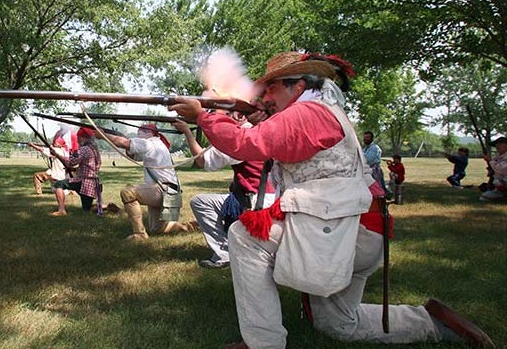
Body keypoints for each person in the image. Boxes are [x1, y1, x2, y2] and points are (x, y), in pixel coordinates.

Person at [169, 51, 494, 349]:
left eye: (271, 88)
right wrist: (253, 116)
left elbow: (248, 144)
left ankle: (263, 344)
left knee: (244, 237)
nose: (265, 95)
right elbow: (273, 139)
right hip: (351, 229)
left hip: (342, 231)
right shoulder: (318, 111)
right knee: (338, 324)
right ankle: (434, 323)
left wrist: (204, 116)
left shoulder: (310, 113)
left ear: (296, 87)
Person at [173, 117, 274, 269]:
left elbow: (202, 161)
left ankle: (224, 254)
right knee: (203, 201)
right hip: (273, 197)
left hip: (255, 202)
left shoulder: (241, 136)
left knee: (200, 202)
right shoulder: (264, 130)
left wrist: (187, 132)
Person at [97, 124, 195, 240]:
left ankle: (140, 234)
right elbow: (133, 156)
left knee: (127, 192)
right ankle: (191, 226)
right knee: (158, 229)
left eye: (140, 133)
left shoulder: (149, 143)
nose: (138, 136)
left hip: (163, 191)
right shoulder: (157, 144)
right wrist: (123, 140)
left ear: (150, 133)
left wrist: (102, 135)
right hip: (170, 192)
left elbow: (123, 143)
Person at [50, 127, 101, 217]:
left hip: (84, 183)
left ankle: (61, 210)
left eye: (78, 138)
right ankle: (105, 207)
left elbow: (70, 162)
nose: (77, 140)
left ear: (83, 138)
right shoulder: (94, 149)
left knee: (58, 184)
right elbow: (90, 166)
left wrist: (57, 155)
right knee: (86, 210)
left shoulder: (84, 149)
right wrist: (76, 170)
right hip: (93, 184)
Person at [480, 136, 507, 201]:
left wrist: (489, 161)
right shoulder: (498, 156)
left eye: (500, 144)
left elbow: (501, 169)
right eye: (496, 144)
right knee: (484, 197)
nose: (497, 146)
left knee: (499, 182)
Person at [363, 131, 390, 196]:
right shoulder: (364, 149)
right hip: (367, 170)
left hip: (374, 170)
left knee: (377, 187)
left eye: (368, 137)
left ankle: (381, 201)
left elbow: (368, 159)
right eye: (365, 137)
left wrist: (361, 157)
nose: (365, 139)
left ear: (372, 138)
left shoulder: (375, 148)